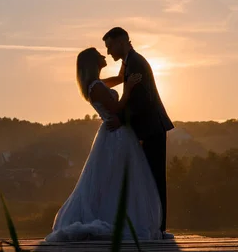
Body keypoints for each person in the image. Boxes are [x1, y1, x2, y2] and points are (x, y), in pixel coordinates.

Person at [44, 47, 162, 242]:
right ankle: (116, 218)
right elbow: (116, 107)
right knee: (117, 177)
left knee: (112, 178)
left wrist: (125, 64)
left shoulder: (96, 84)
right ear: (92, 62)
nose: (103, 55)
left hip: (114, 134)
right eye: (99, 54)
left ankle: (118, 214)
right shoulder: (96, 87)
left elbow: (117, 79)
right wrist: (129, 88)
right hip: (115, 135)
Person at [102, 27, 175, 239]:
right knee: (146, 178)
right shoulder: (129, 62)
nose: (108, 53)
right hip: (146, 128)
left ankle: (158, 228)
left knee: (154, 178)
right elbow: (119, 80)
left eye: (110, 46)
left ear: (121, 41)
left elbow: (142, 101)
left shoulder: (135, 63)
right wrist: (92, 84)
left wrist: (121, 119)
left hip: (151, 128)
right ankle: (153, 225)